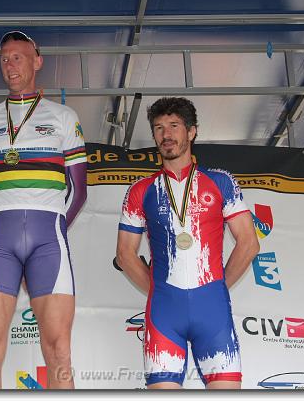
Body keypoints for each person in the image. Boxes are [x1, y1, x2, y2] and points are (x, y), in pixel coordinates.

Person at [0, 30, 87, 389]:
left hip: (48, 240)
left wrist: (54, 228)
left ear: (37, 61)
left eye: (17, 57)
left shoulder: (64, 117)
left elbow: (79, 191)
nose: (9, 64)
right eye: (4, 58)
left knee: (59, 351)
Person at [115, 97, 259, 389]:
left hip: (213, 312)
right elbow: (125, 254)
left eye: (174, 125)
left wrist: (217, 287)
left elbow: (248, 243)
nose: (166, 134)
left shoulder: (221, 182)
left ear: (192, 132)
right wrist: (160, 291)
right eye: (159, 128)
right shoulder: (140, 190)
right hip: (164, 316)